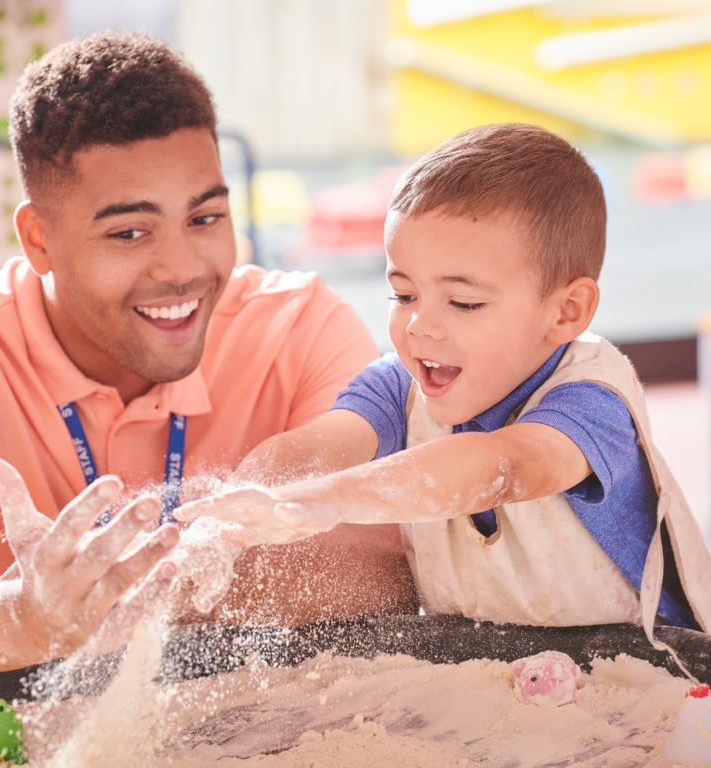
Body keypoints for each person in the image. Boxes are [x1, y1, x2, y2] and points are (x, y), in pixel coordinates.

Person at [0, 32, 416, 676]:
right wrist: (25, 619)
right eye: (130, 232)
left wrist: (147, 586)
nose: (183, 270)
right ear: (39, 239)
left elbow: (397, 561)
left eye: (204, 219)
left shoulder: (298, 323)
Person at [178, 124, 711, 641]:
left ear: (566, 311)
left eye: (464, 303)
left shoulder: (592, 400)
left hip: (643, 669)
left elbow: (501, 467)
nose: (420, 326)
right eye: (404, 294)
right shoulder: (400, 386)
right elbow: (318, 447)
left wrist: (331, 500)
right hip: (495, 671)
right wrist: (238, 509)